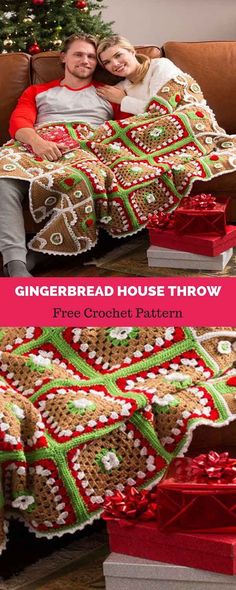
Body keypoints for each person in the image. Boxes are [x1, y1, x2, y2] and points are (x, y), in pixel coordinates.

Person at [0, 33, 122, 277]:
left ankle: (35, 257)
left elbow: (130, 128)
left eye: (91, 56)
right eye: (78, 54)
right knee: (2, 178)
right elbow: (20, 121)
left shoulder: (109, 94)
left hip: (85, 150)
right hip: (37, 144)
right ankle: (15, 264)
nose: (85, 61)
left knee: (90, 182)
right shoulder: (39, 91)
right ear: (64, 57)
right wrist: (38, 142)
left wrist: (127, 103)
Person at [96, 35, 184, 115]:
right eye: (107, 62)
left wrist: (123, 100)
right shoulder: (121, 87)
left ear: (132, 52)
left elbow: (160, 110)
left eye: (118, 55)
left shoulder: (160, 66)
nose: (115, 63)